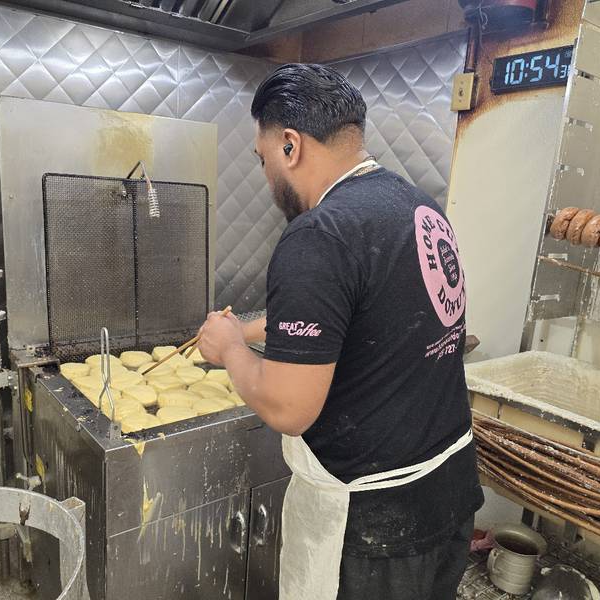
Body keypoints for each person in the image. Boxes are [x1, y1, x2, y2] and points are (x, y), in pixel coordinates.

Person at [196, 63, 484, 600]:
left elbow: (288, 408)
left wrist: (232, 348)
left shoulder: (318, 235)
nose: (266, 178)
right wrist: (253, 325)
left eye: (262, 160)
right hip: (448, 491)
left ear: (289, 145)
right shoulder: (416, 206)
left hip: (373, 522)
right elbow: (367, 310)